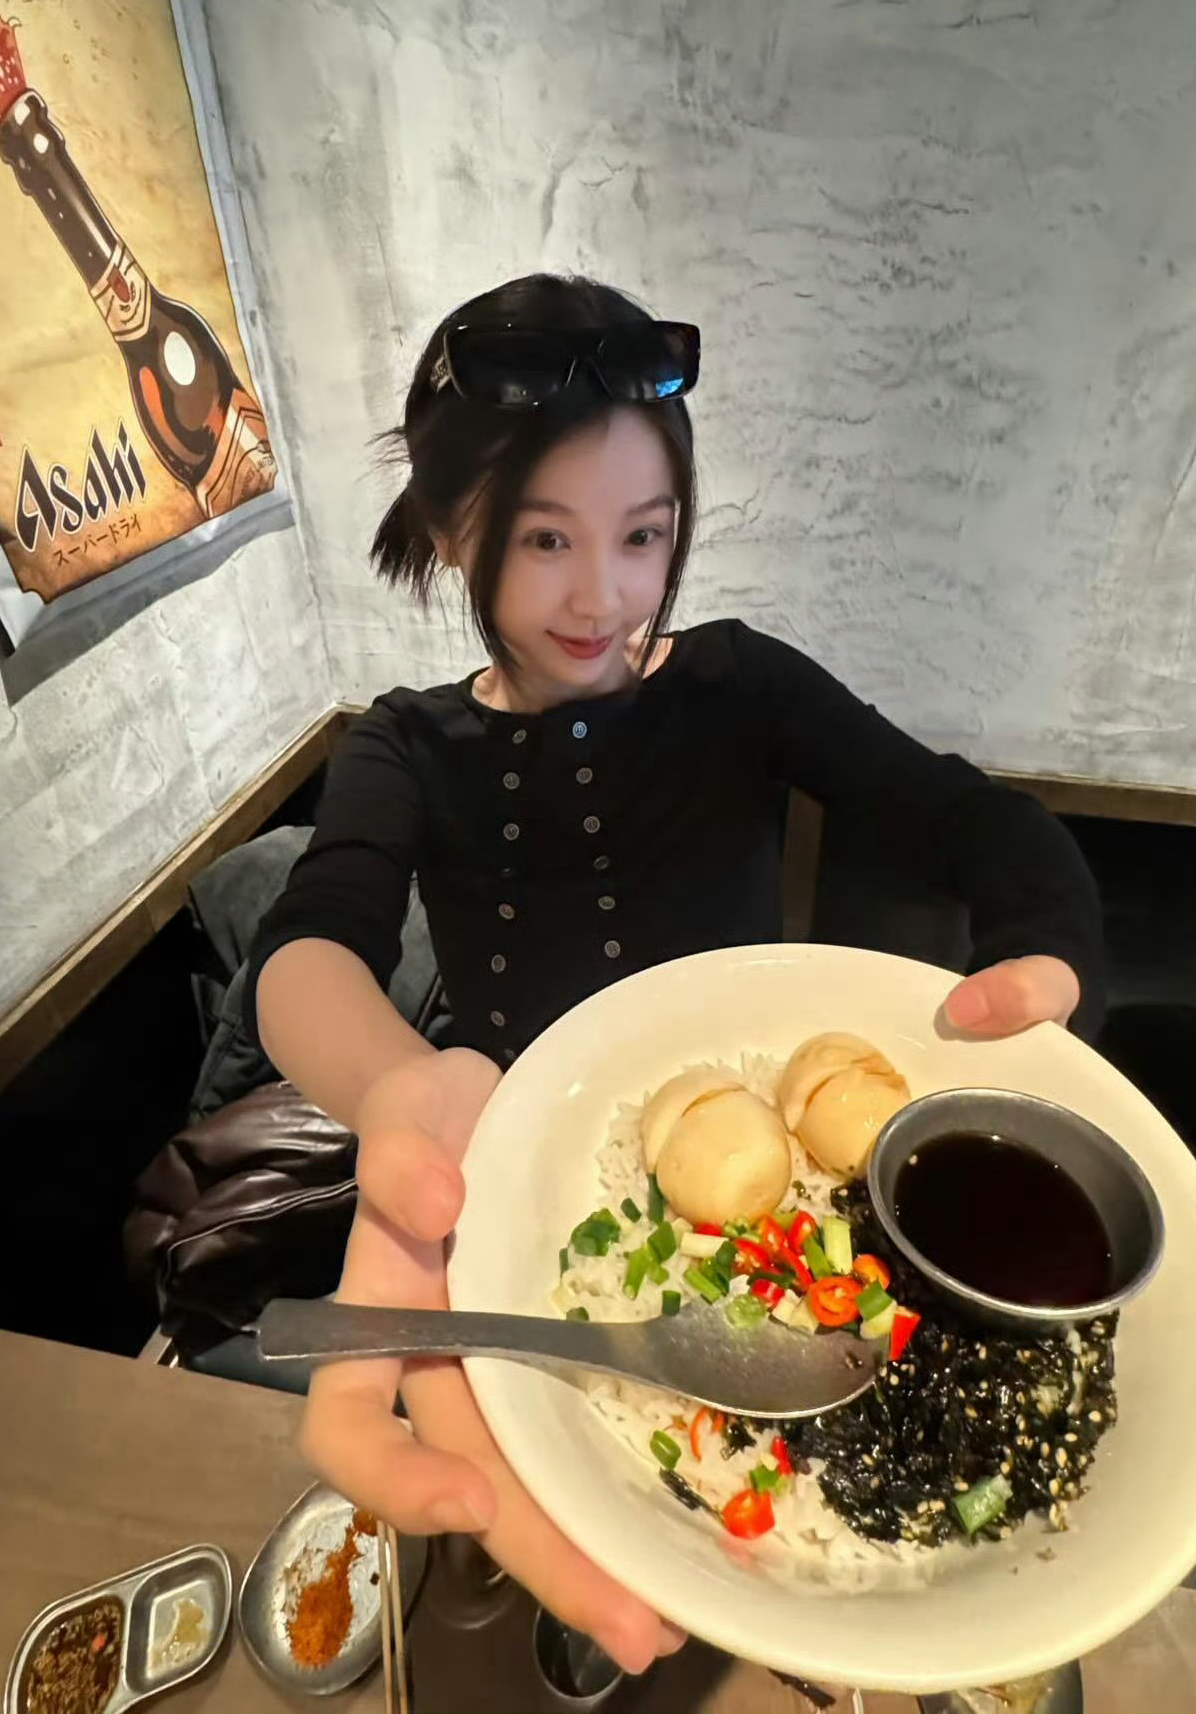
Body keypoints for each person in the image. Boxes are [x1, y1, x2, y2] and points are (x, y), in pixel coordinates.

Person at [245, 273, 1103, 1674]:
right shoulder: (402, 744)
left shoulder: (736, 685)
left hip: (767, 1211)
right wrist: (401, 1083)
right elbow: (309, 951)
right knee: (557, 1525)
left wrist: (1051, 943)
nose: (606, 595)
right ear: (456, 529)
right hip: (528, 1208)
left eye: (644, 536)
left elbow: (962, 813)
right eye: (545, 540)